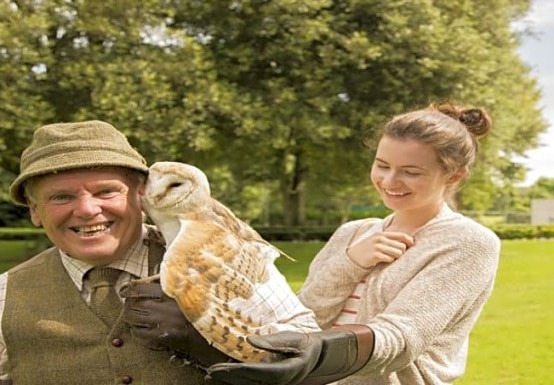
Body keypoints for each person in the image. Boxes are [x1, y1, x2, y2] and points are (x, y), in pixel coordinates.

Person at [203, 102, 502, 384]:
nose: (390, 181)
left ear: (454, 175)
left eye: (411, 172)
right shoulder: (352, 233)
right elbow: (303, 317)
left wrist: (322, 351)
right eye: (382, 165)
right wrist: (351, 262)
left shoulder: (469, 243)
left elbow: (402, 337)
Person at [0, 120, 316, 384]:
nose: (86, 209)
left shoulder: (223, 253)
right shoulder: (5, 295)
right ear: (34, 211)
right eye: (60, 197)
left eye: (106, 191)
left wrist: (209, 347)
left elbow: (309, 352)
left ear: (141, 194)